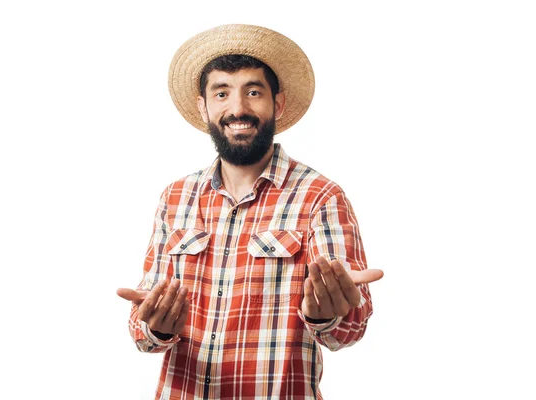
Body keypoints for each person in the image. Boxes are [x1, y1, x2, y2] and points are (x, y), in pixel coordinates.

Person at [117, 24, 384, 399]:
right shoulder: (174, 197)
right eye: (221, 92)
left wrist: (327, 315)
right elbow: (142, 332)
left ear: (277, 104)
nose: (237, 108)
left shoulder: (321, 197)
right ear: (203, 107)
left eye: (253, 92)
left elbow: (350, 331)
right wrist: (155, 329)